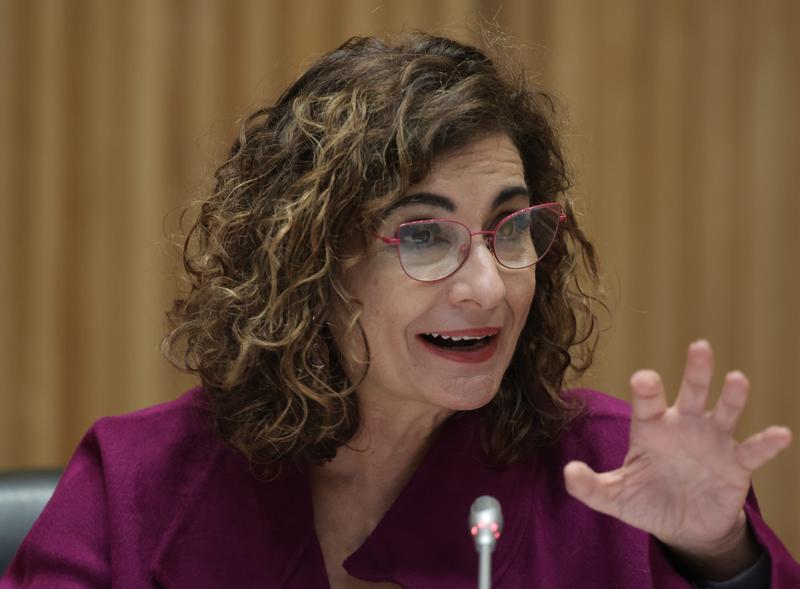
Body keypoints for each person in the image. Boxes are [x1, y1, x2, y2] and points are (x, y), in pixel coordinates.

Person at [2, 32, 799, 589]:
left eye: (511, 227)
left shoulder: (614, 473)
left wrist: (721, 557)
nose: (488, 287)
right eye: (423, 235)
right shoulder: (135, 486)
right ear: (312, 263)